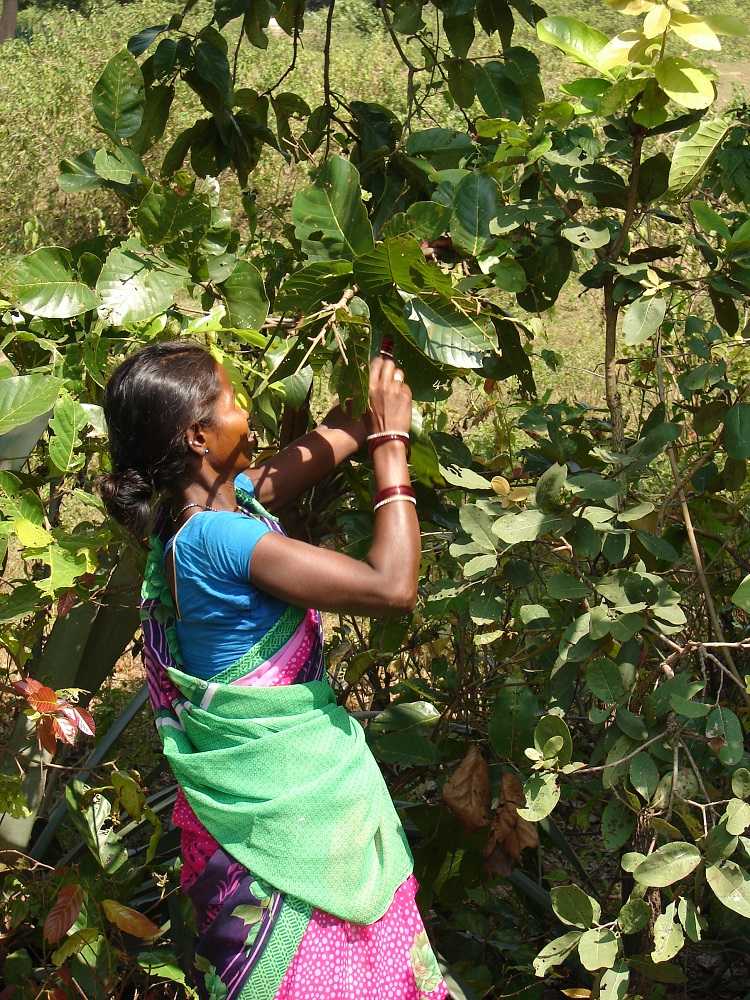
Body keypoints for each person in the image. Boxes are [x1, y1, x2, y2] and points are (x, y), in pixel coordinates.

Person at [100, 341, 449, 1000]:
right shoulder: (220, 539)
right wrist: (393, 444)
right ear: (198, 437)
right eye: (230, 398)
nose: (247, 405)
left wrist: (388, 331)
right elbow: (391, 586)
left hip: (258, 828)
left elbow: (329, 439)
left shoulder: (202, 511)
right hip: (293, 836)